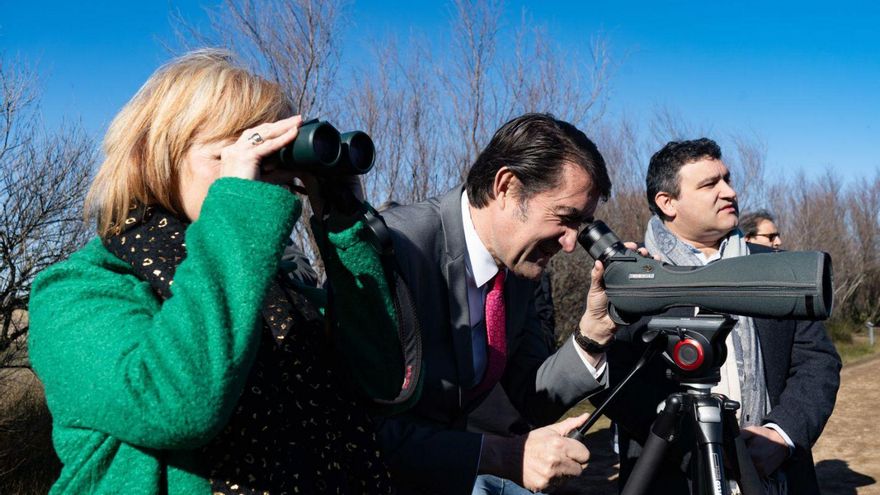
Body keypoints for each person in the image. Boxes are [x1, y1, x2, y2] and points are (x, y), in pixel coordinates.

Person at [28, 49, 403, 494]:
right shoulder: (78, 290)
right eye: (244, 152)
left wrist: (341, 223)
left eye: (278, 158)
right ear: (158, 156)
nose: (265, 173)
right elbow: (178, 405)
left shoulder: (276, 287)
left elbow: (378, 379)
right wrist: (240, 209)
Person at [377, 113, 618, 494]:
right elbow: (353, 423)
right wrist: (497, 456)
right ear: (506, 186)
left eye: (582, 227)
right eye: (565, 219)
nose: (571, 244)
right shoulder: (396, 250)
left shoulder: (521, 270)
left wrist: (591, 333)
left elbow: (530, 396)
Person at [601, 138, 840, 494]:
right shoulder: (634, 275)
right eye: (709, 184)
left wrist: (781, 435)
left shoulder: (779, 268)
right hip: (669, 477)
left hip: (775, 476)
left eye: (727, 179)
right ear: (668, 203)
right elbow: (613, 375)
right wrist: (696, 446)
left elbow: (817, 362)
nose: (729, 191)